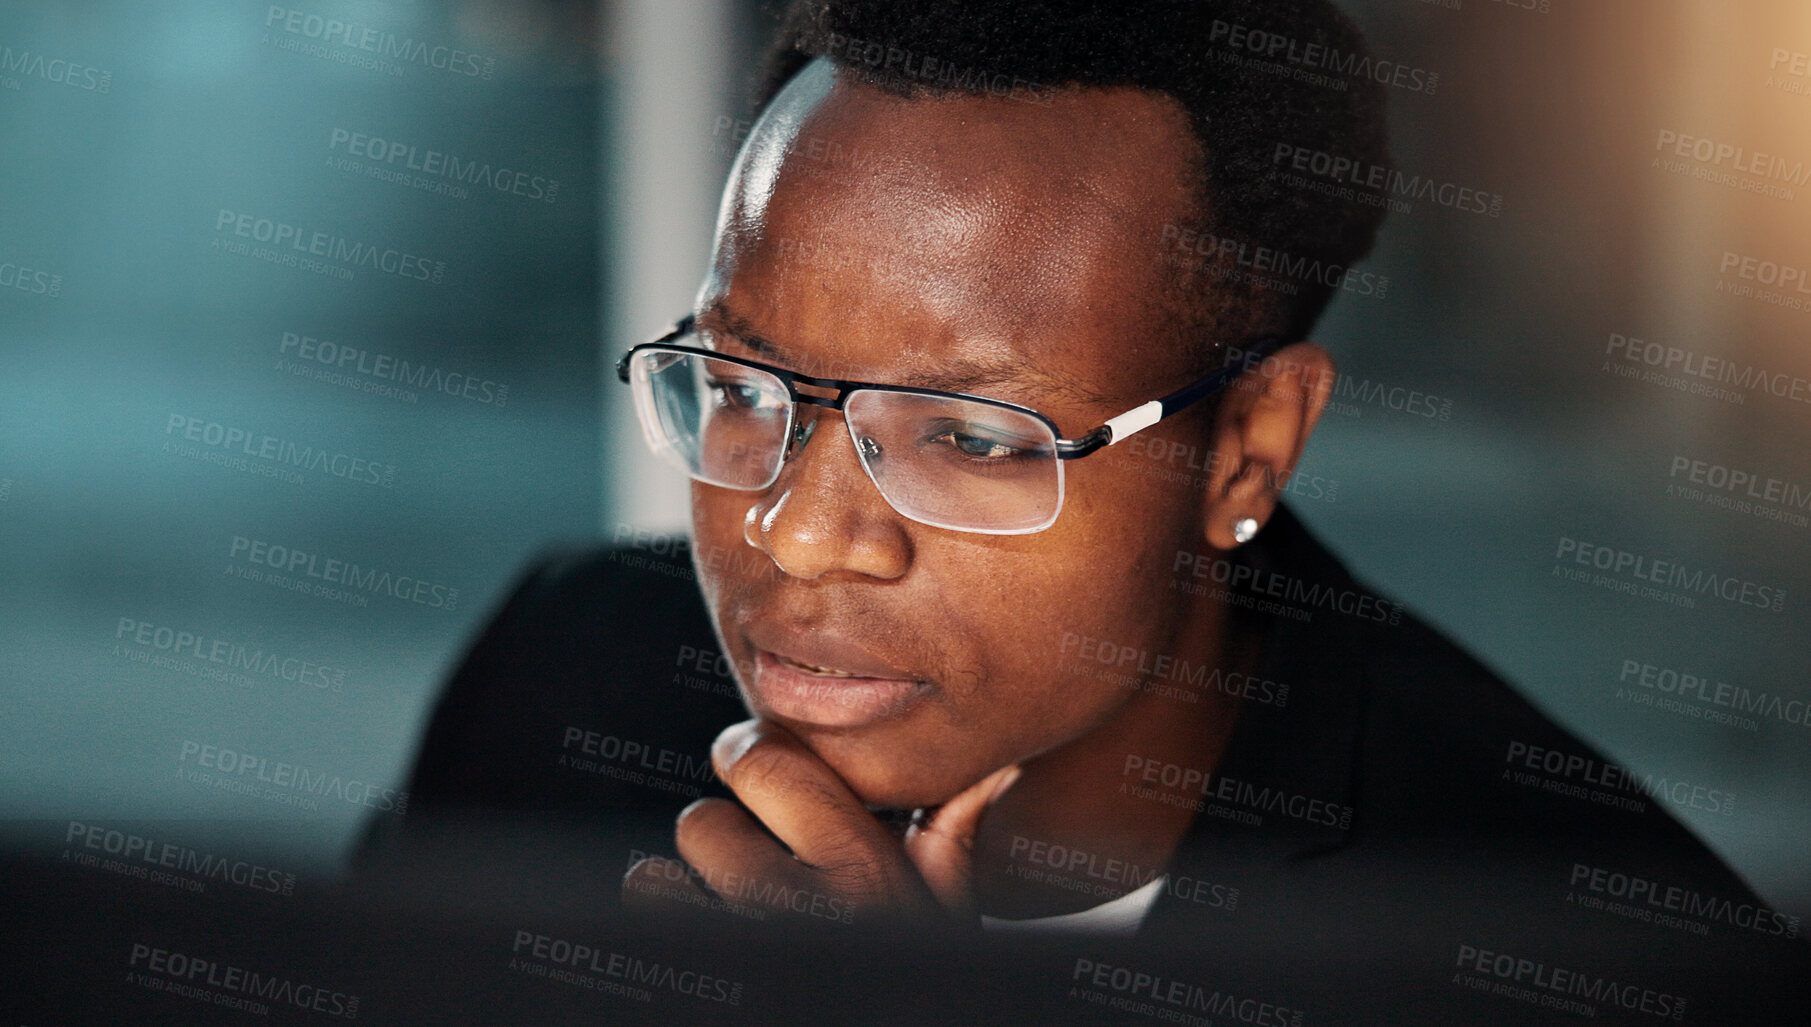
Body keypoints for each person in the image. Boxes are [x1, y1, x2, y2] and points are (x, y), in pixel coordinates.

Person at [364, 0, 1800, 1018]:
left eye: (974, 438)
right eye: (744, 389)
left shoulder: (1568, 941)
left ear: (1246, 451)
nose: (795, 534)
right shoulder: (560, 683)